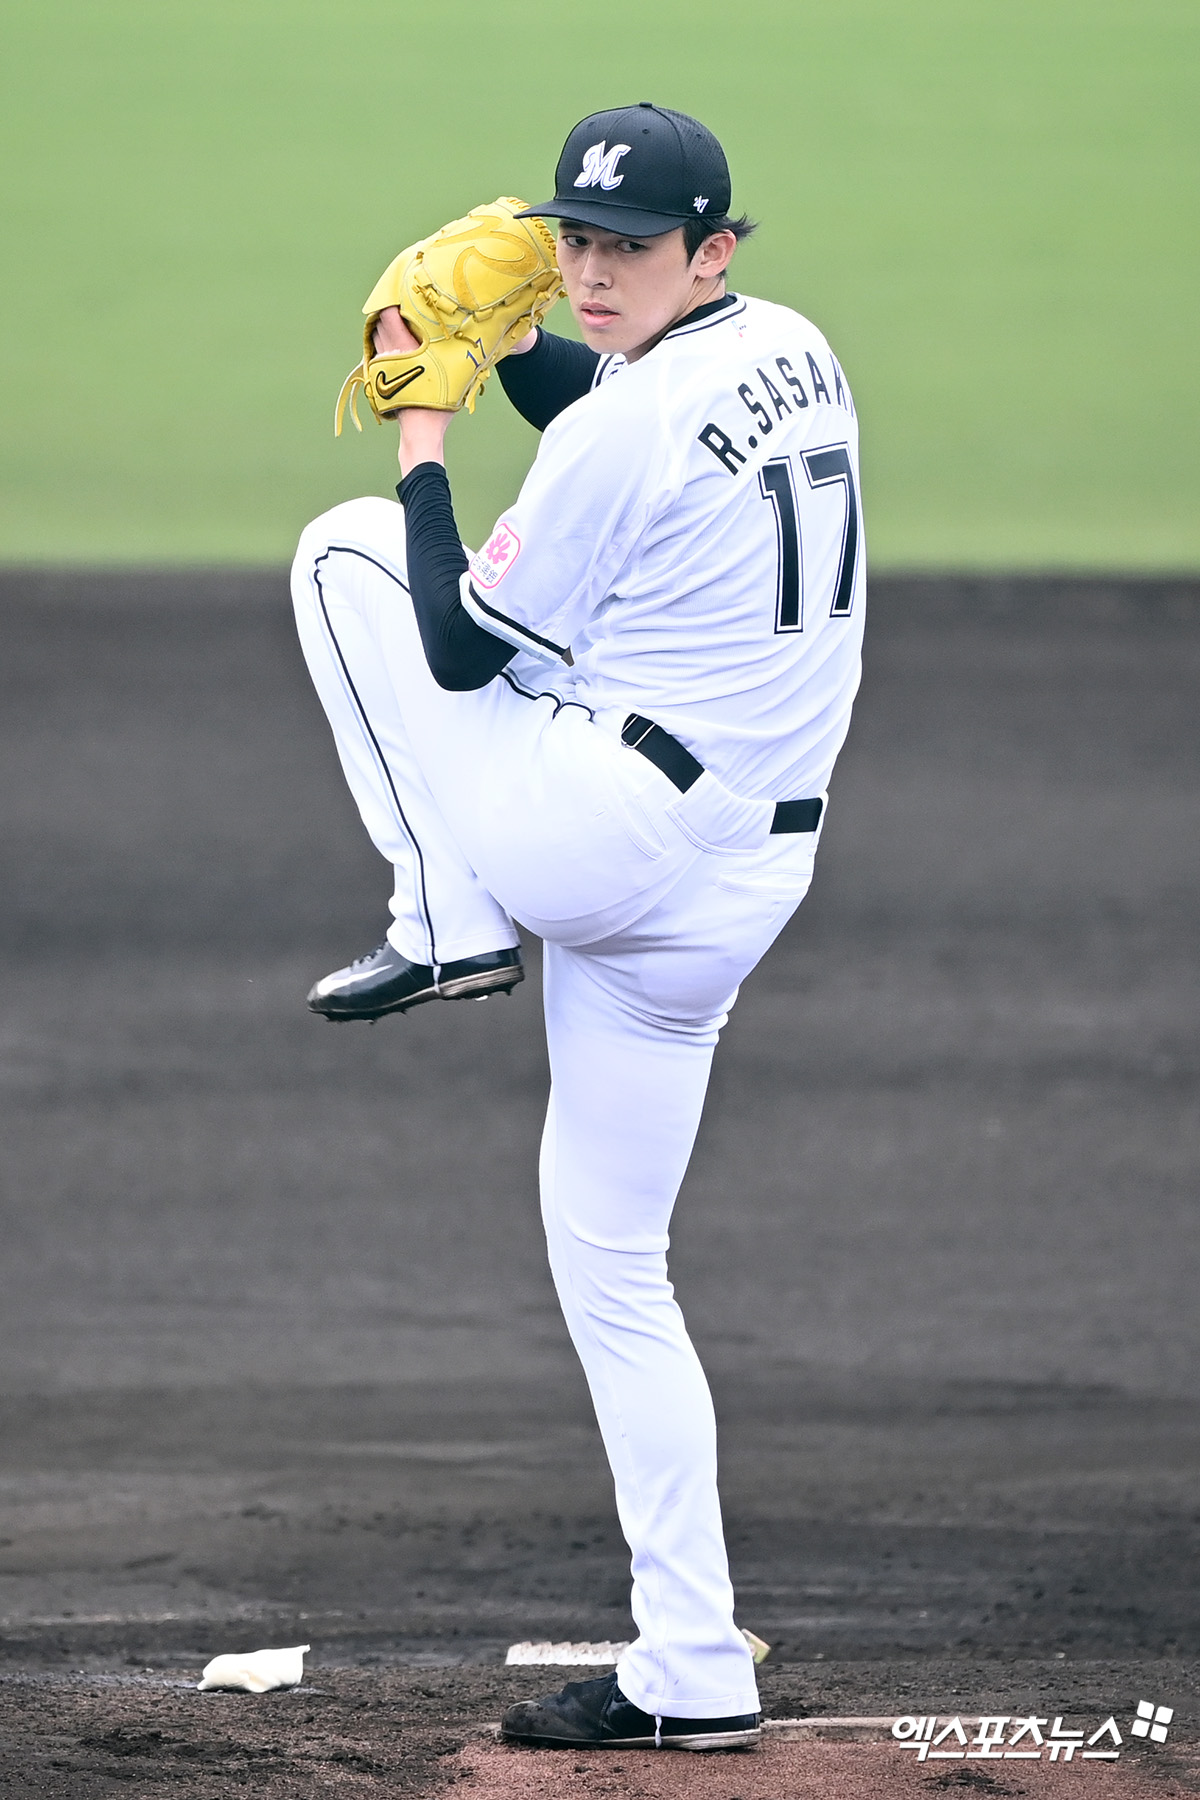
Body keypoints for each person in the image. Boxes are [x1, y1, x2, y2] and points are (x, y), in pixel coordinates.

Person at [290, 102, 865, 1751]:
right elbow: (629, 437)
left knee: (346, 559)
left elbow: (465, 658)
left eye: (631, 247)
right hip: (734, 892)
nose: (594, 268)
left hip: (600, 846)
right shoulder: (795, 350)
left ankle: (443, 910)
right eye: (581, 241)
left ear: (714, 250)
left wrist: (422, 429)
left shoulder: (626, 421)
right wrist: (534, 346)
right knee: (616, 1269)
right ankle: (693, 1669)